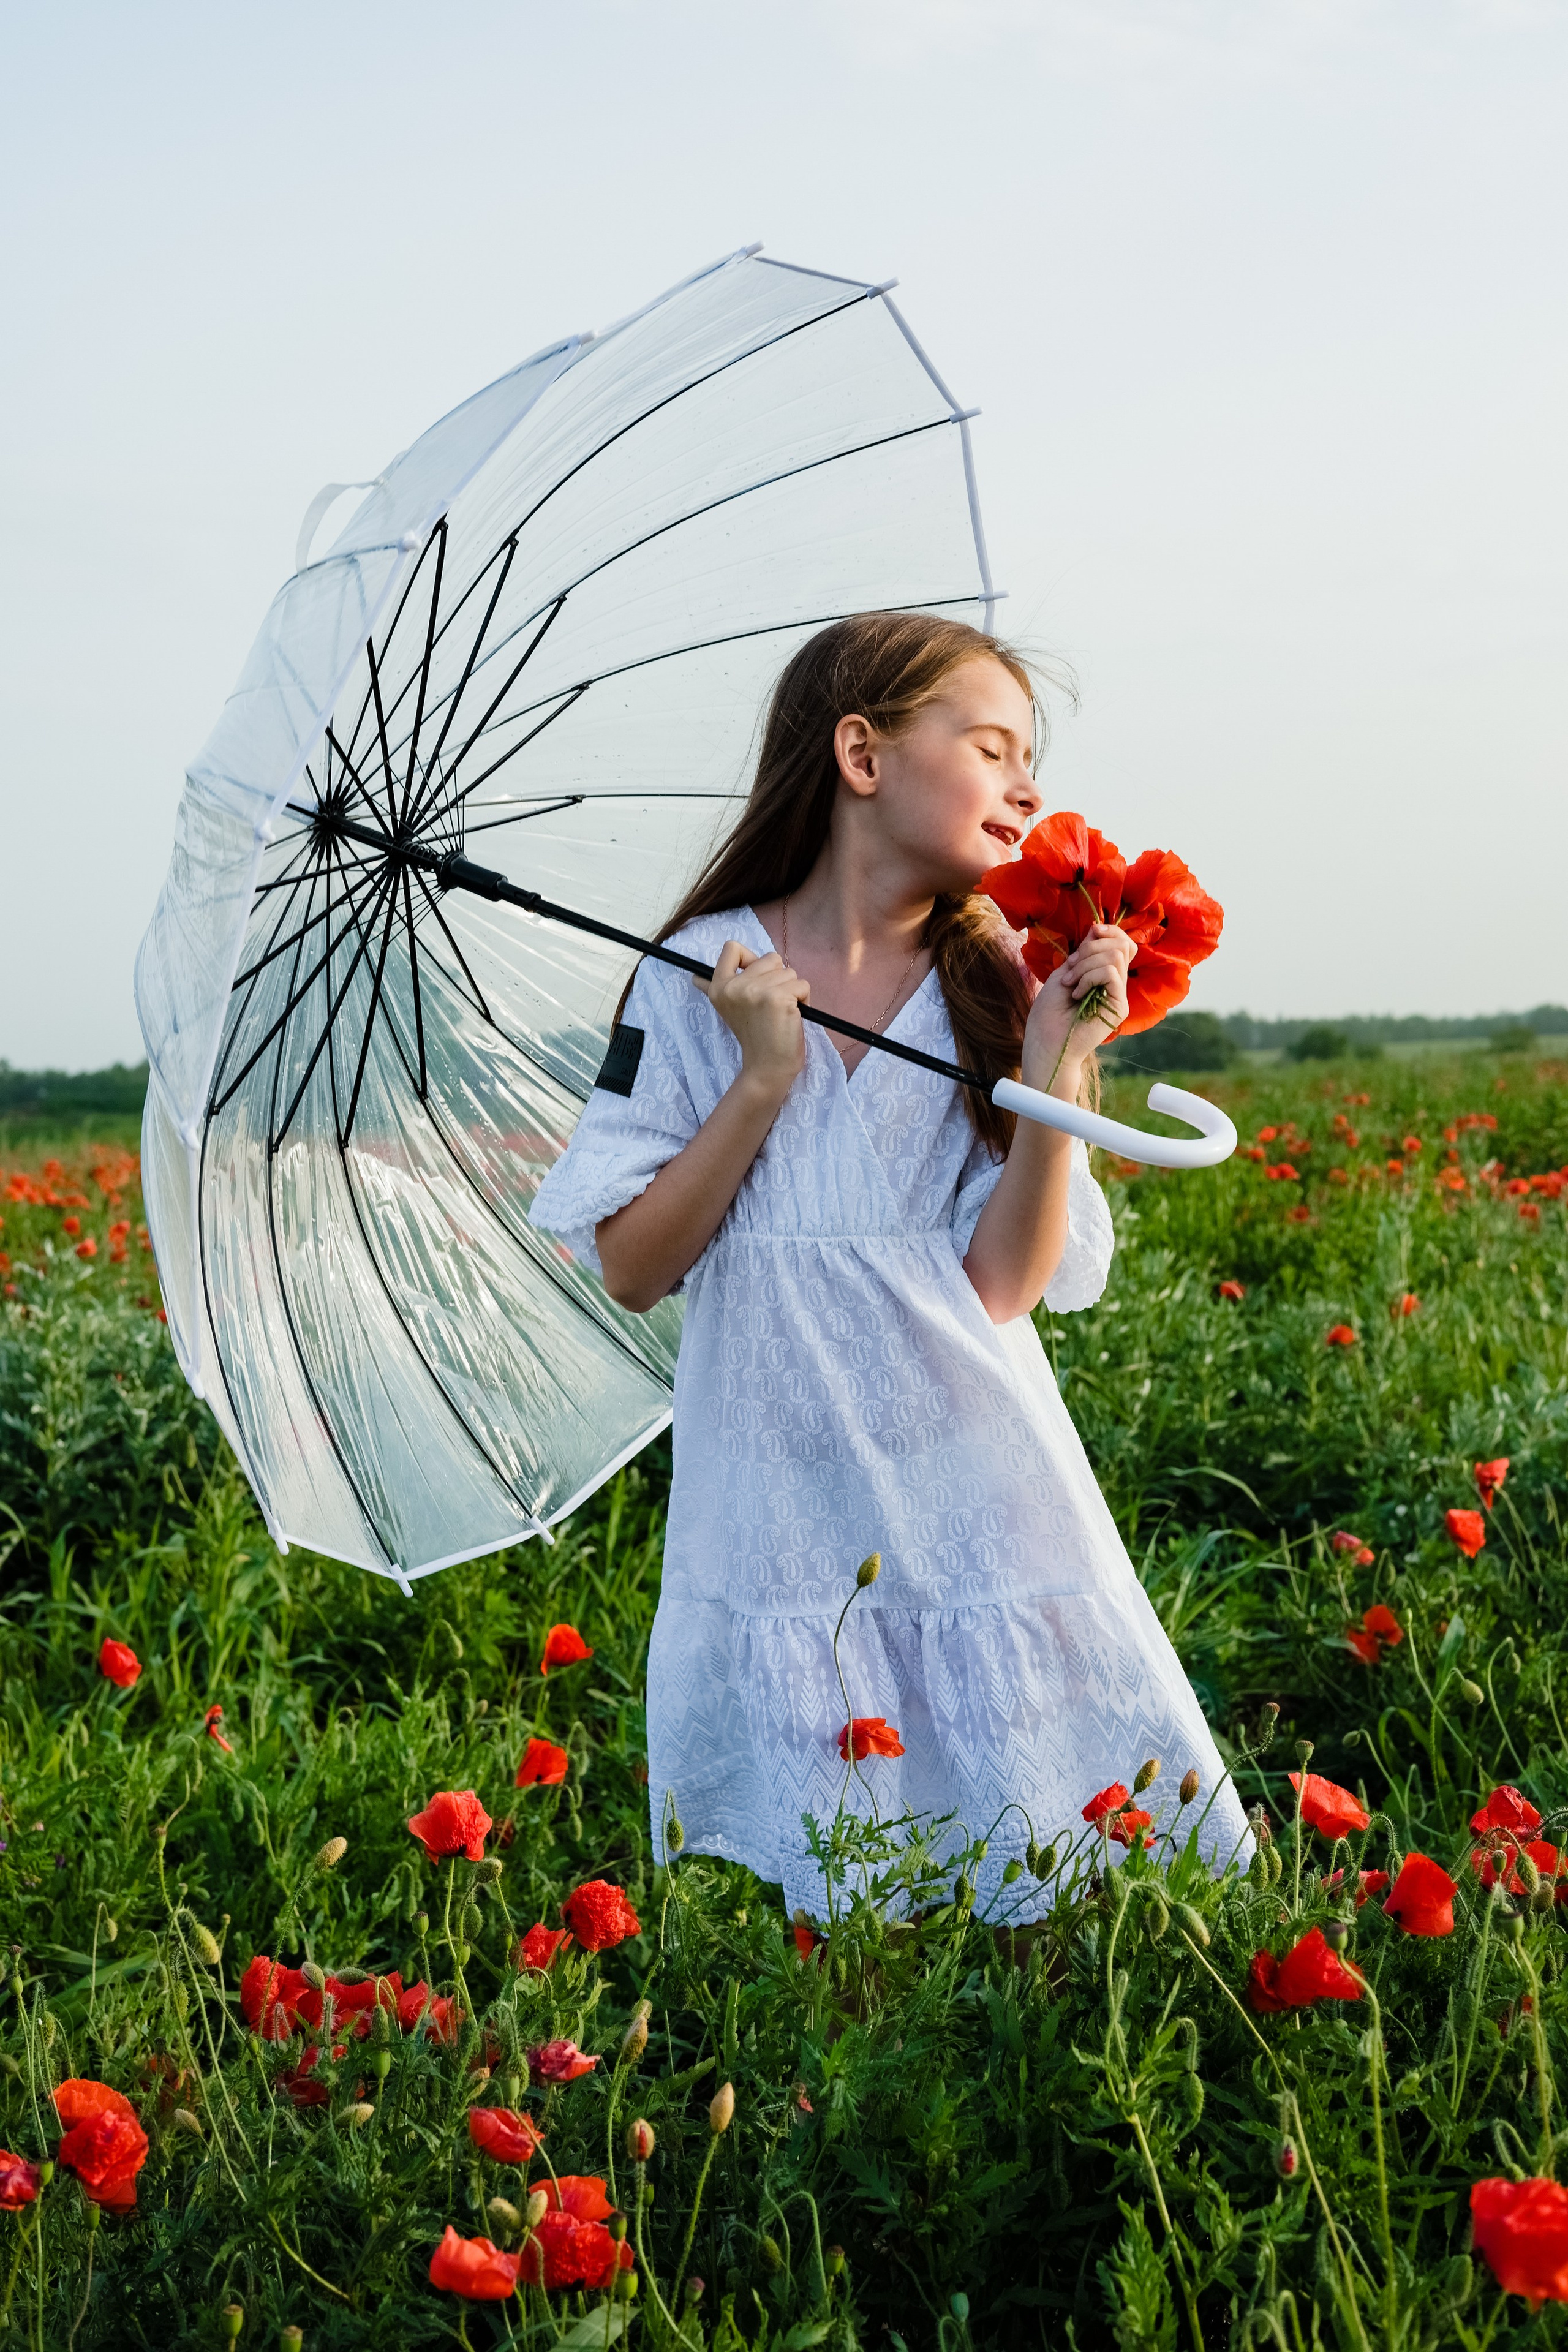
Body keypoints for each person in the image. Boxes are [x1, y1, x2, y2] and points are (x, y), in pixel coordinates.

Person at [530, 611, 1250, 1919]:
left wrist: (1053, 1071)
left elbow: (999, 1288)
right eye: (990, 746)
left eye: (1028, 757)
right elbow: (634, 1269)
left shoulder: (987, 974)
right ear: (861, 756)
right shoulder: (701, 974)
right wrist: (760, 1077)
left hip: (969, 1475)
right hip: (778, 1501)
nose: (1028, 789)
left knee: (1045, 1863)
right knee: (825, 1898)